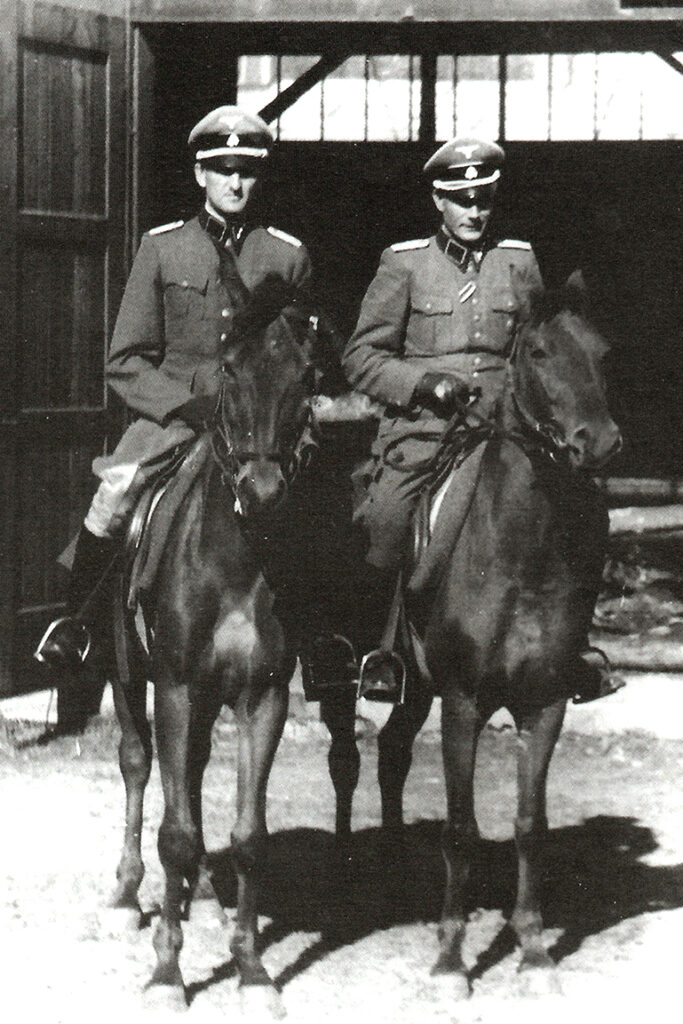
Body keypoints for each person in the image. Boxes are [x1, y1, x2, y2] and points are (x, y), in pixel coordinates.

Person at [34, 105, 318, 674]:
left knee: (317, 507)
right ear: (200, 175)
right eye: (223, 168)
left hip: (259, 423)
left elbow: (304, 364)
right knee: (113, 500)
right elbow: (124, 361)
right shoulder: (163, 248)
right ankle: (76, 627)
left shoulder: (286, 256)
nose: (236, 182)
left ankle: (322, 649)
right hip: (176, 420)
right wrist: (182, 401)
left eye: (247, 170)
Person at [342, 137, 623, 703]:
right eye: (462, 199)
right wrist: (423, 383)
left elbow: (538, 345)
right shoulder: (405, 263)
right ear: (438, 201)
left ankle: (576, 649)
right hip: (425, 431)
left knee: (586, 512)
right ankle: (381, 651)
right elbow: (361, 357)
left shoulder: (517, 260)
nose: (475, 212)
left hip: (508, 428)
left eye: (484, 200)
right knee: (389, 518)